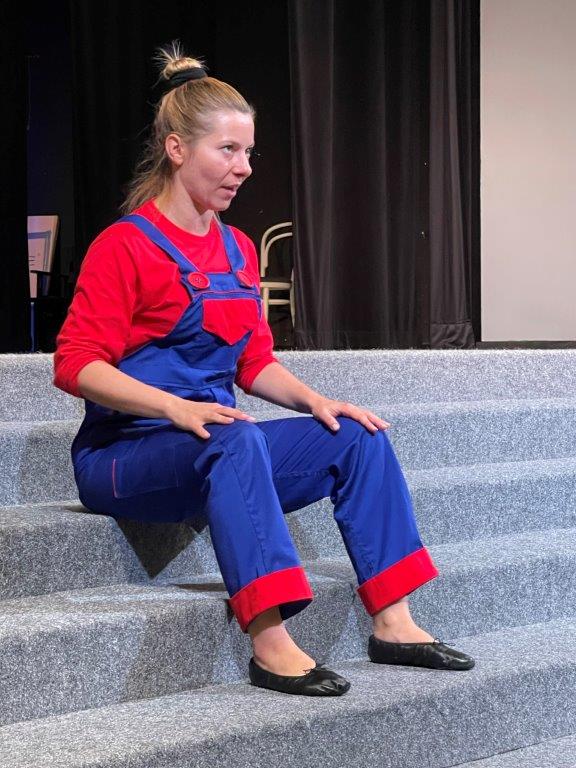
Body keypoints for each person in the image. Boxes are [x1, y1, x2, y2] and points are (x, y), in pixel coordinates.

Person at [53, 41, 474, 697]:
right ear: (176, 149)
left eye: (248, 152)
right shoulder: (125, 246)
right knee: (237, 436)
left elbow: (253, 361)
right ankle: (270, 641)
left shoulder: (237, 248)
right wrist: (174, 408)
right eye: (228, 150)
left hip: (215, 444)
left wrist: (315, 401)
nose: (244, 167)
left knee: (356, 437)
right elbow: (76, 364)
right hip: (125, 455)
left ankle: (394, 622)